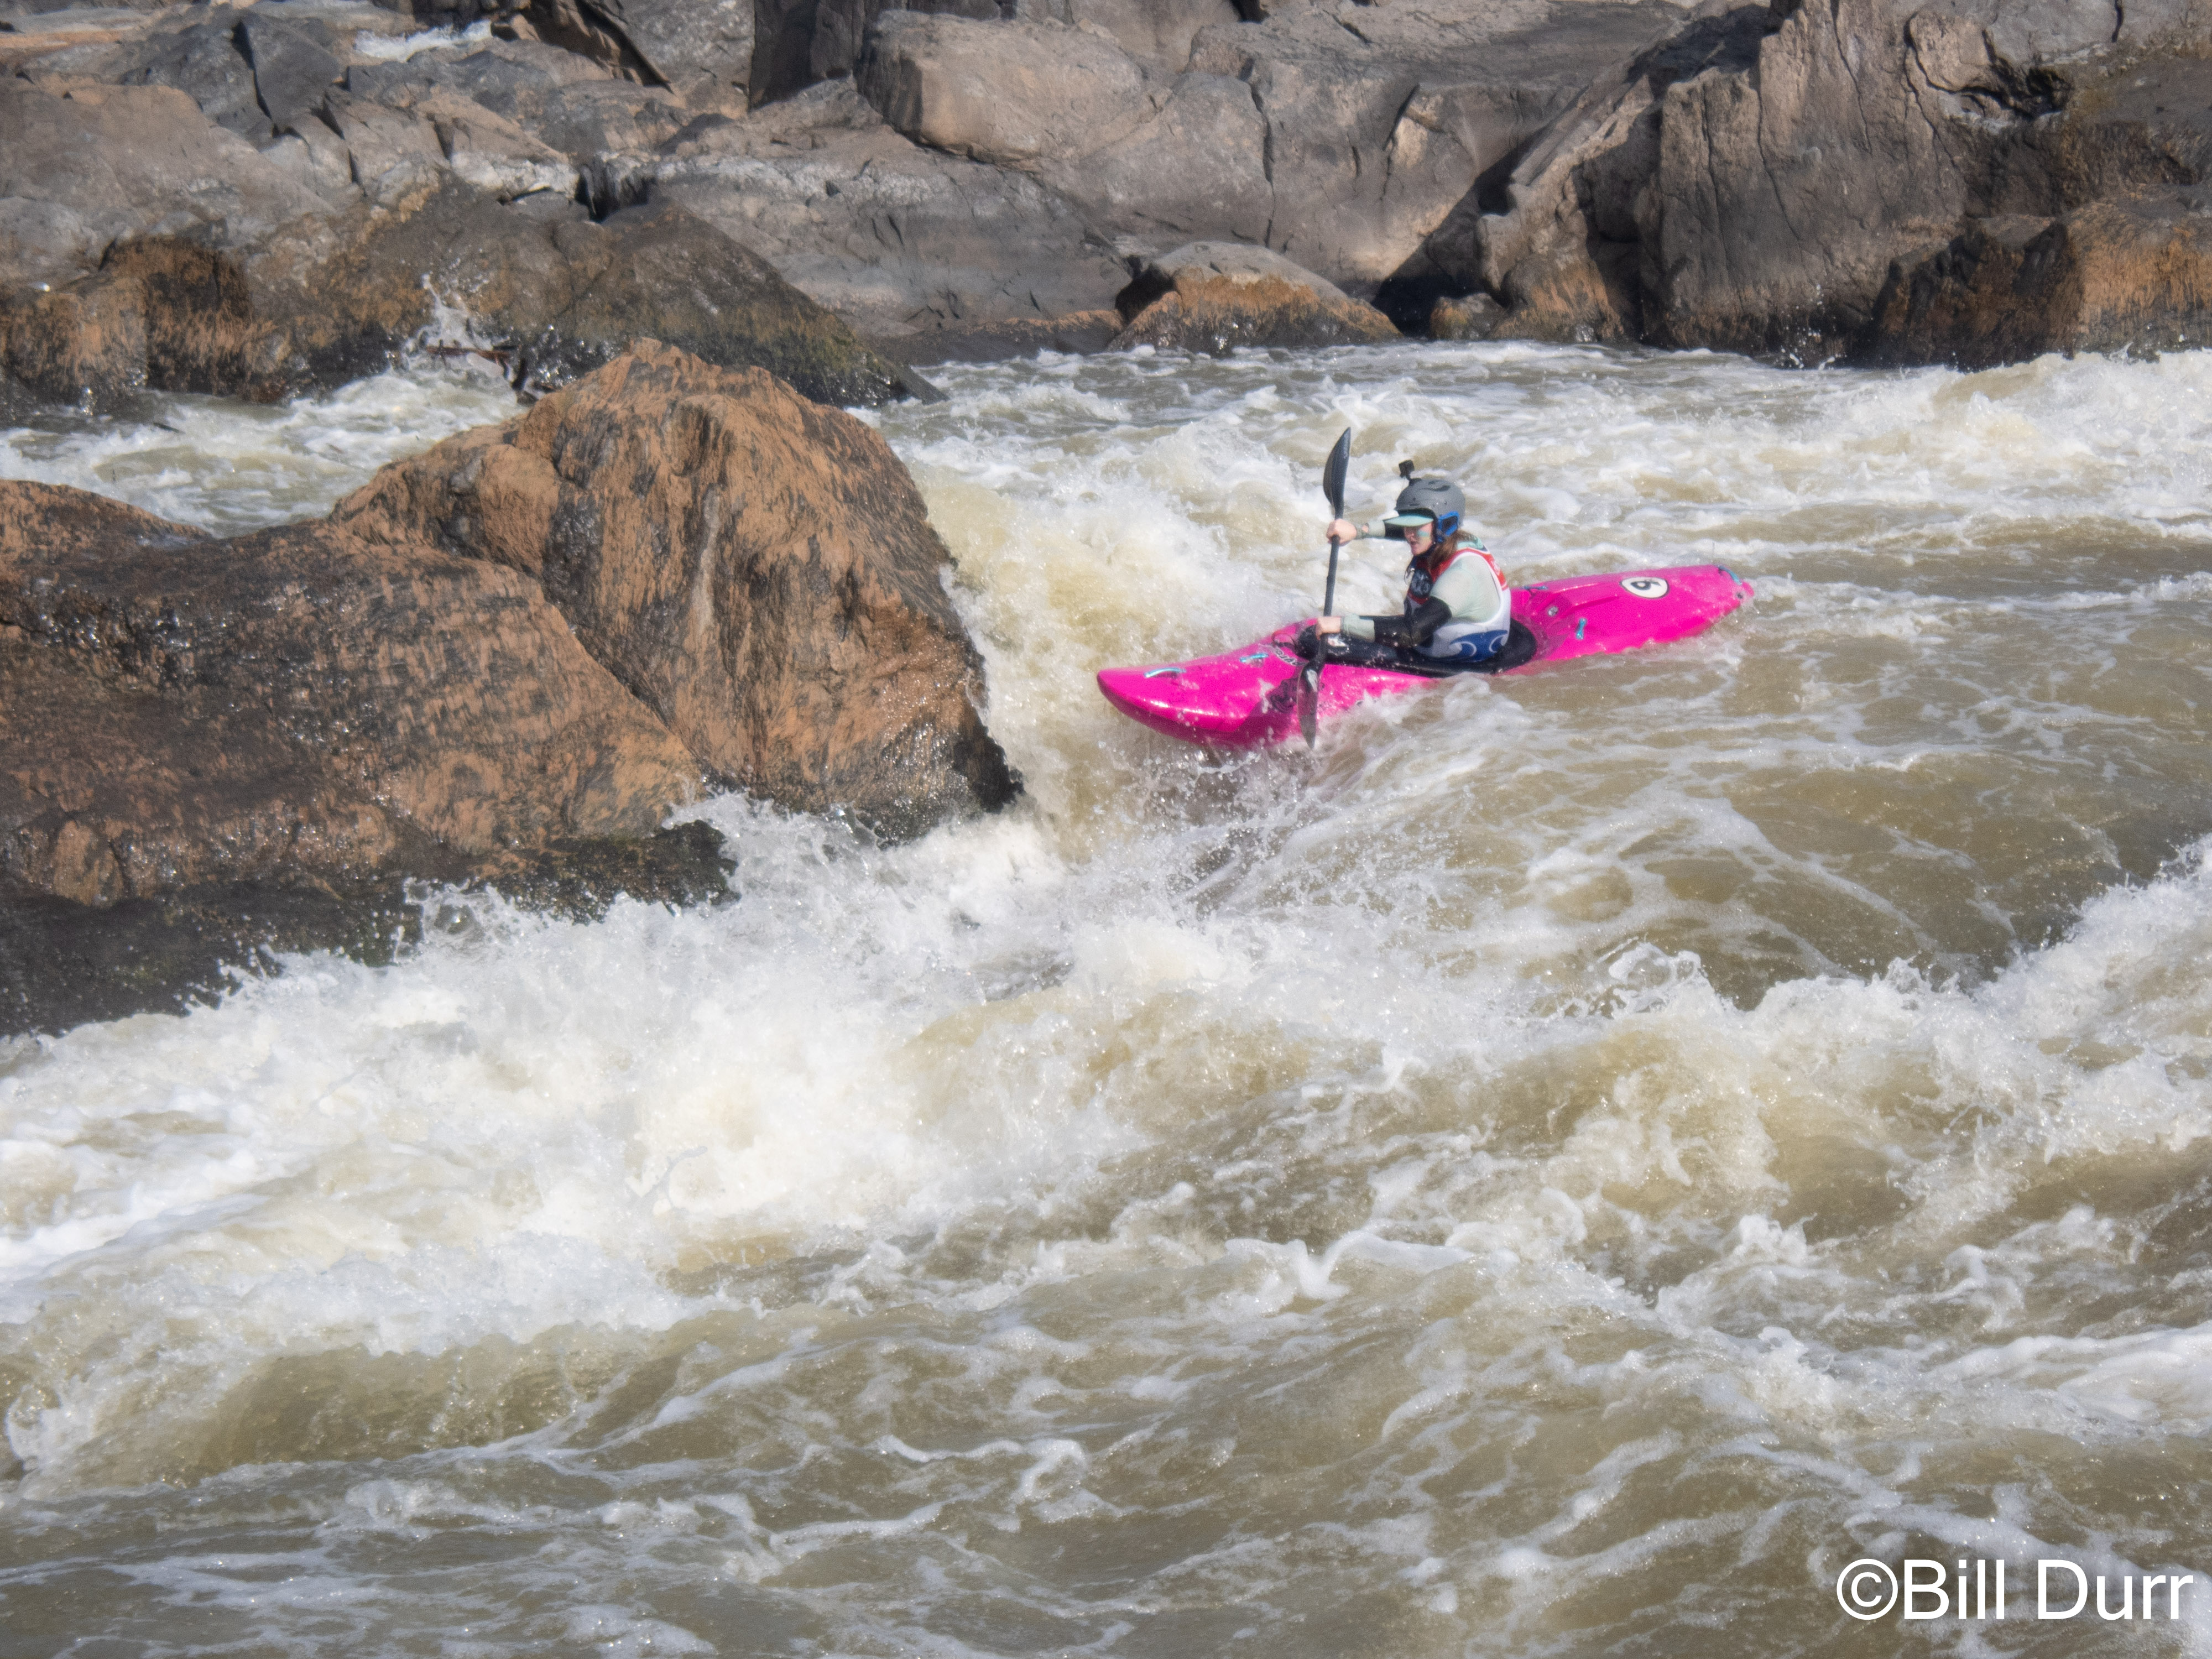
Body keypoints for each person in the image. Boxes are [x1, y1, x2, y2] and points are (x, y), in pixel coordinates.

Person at [1301, 470, 1511, 667]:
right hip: (1431, 640)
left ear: (1444, 525)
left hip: (1463, 661)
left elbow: (1412, 634)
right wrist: (1358, 531)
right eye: (1407, 526)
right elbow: (1404, 529)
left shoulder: (1462, 576)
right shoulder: (1445, 539)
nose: (1409, 534)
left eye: (1416, 527)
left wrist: (1342, 625)